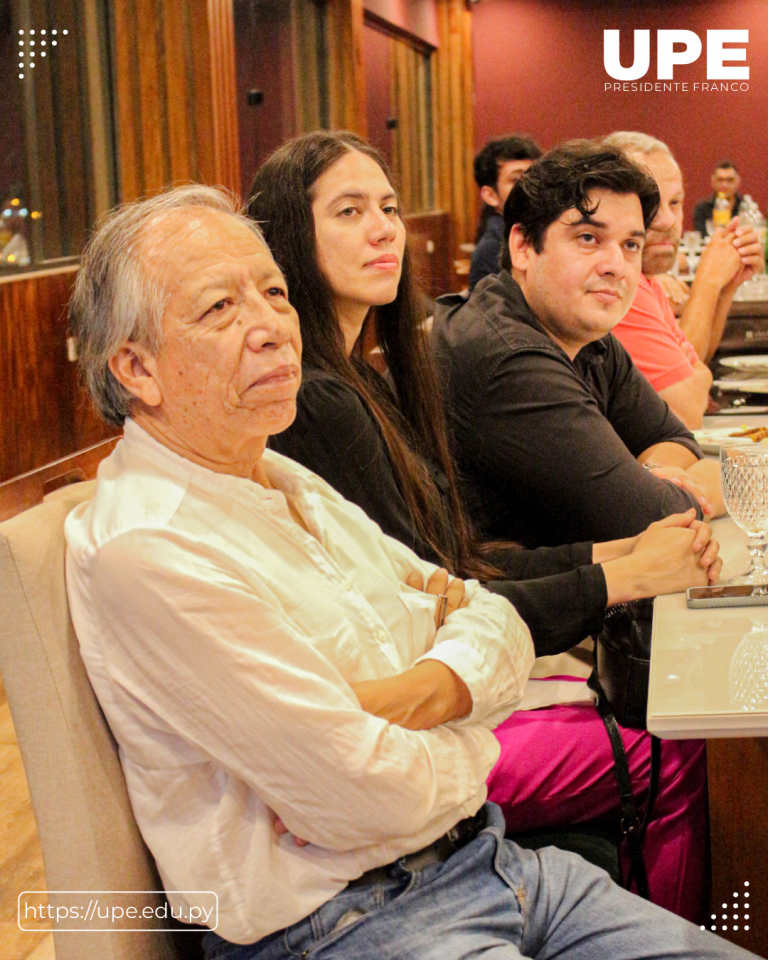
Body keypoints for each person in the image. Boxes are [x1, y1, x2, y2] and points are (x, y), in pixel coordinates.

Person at [64, 184, 760, 960]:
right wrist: (466, 714)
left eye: (273, 293)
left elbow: (469, 600)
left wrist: (420, 691)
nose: (270, 328)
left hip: (491, 865)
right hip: (345, 925)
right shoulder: (151, 546)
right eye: (219, 310)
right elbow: (355, 793)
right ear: (137, 368)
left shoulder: (278, 475)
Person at [250, 131, 719, 920]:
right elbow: (437, 603)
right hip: (399, 736)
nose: (383, 229)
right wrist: (624, 567)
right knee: (673, 744)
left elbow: (449, 565)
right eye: (349, 210)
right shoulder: (323, 401)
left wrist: (622, 551)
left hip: (457, 668)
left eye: (390, 208)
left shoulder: (364, 378)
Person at [433, 141, 726, 551]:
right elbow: (647, 517)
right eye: (588, 237)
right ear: (522, 247)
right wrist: (701, 485)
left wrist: (653, 473)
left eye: (630, 245)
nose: (615, 265)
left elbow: (676, 437)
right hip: (506, 609)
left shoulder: (586, 334)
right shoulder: (510, 357)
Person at [605, 135, 763, 408]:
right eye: (649, 203)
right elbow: (685, 404)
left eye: (675, 203)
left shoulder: (649, 280)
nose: (668, 220)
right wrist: (708, 279)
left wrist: (727, 286)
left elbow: (696, 359)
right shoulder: (619, 283)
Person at [469, 135, 542, 292]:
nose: (531, 186)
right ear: (491, 195)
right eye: (516, 180)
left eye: (534, 176)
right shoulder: (492, 248)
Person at [693, 160, 743, 238]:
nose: (724, 185)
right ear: (713, 181)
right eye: (720, 180)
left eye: (730, 180)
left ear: (738, 181)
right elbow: (702, 236)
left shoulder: (745, 208)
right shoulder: (702, 209)